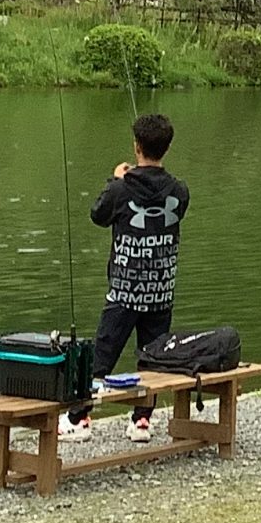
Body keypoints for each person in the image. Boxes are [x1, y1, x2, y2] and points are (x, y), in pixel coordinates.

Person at [64, 112, 193, 446]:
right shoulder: (179, 191)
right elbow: (173, 211)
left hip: (124, 291)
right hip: (160, 291)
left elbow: (98, 215)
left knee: (101, 357)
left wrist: (116, 179)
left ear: (136, 146)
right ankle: (142, 421)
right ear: (167, 148)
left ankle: (79, 418)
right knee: (152, 358)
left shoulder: (121, 189)